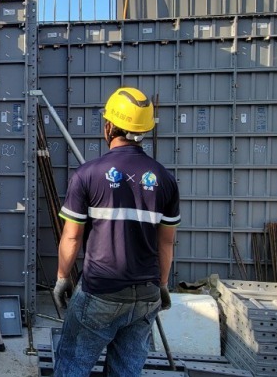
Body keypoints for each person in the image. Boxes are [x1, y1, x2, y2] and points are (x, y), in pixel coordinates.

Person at [51, 87, 181, 377]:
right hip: (146, 296)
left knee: (73, 366)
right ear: (144, 130)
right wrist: (161, 284)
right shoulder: (165, 179)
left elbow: (72, 236)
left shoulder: (87, 174)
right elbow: (166, 242)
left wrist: (62, 279)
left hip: (101, 292)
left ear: (108, 126)